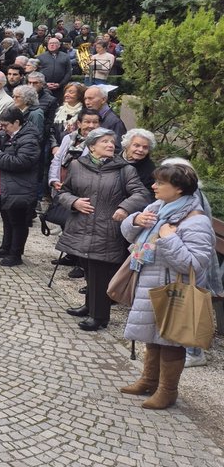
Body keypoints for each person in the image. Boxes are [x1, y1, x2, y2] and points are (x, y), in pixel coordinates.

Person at [119, 161, 220, 409]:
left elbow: (194, 265)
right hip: (150, 283)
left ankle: (168, 390)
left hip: (173, 290)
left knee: (171, 339)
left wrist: (169, 238)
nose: (153, 186)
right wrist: (135, 221)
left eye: (160, 183)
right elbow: (130, 235)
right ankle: (148, 380)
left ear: (179, 189)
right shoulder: (158, 207)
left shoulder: (197, 221)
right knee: (151, 336)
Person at [53, 128, 149, 332]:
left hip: (107, 227)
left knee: (100, 272)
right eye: (104, 141)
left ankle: (100, 316)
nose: (110, 145)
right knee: (87, 267)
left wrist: (124, 207)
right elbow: (64, 192)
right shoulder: (77, 165)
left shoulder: (124, 169)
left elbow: (141, 194)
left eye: (112, 142)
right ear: (92, 146)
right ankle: (89, 306)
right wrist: (74, 202)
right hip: (80, 226)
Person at [0, 107, 42, 266]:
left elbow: (22, 162)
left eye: (5, 125)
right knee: (7, 219)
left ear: (17, 122)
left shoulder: (29, 139)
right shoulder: (8, 135)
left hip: (21, 187)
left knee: (18, 222)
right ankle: (5, 247)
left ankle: (16, 254)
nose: (3, 128)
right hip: (7, 186)